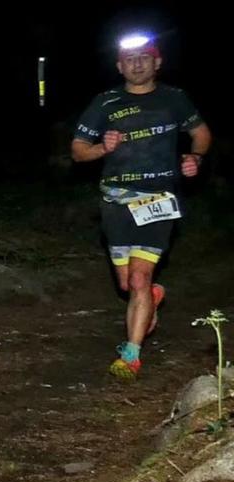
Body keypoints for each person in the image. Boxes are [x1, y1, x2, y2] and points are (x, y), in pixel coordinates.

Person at [71, 32, 211, 379]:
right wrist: (103, 147)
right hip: (115, 201)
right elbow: (77, 150)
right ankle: (152, 297)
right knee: (127, 285)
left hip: (159, 199)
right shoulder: (105, 103)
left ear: (157, 62)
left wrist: (195, 156)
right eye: (129, 59)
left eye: (143, 57)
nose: (137, 64)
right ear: (120, 66)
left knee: (137, 279)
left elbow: (201, 134)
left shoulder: (175, 100)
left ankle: (130, 355)